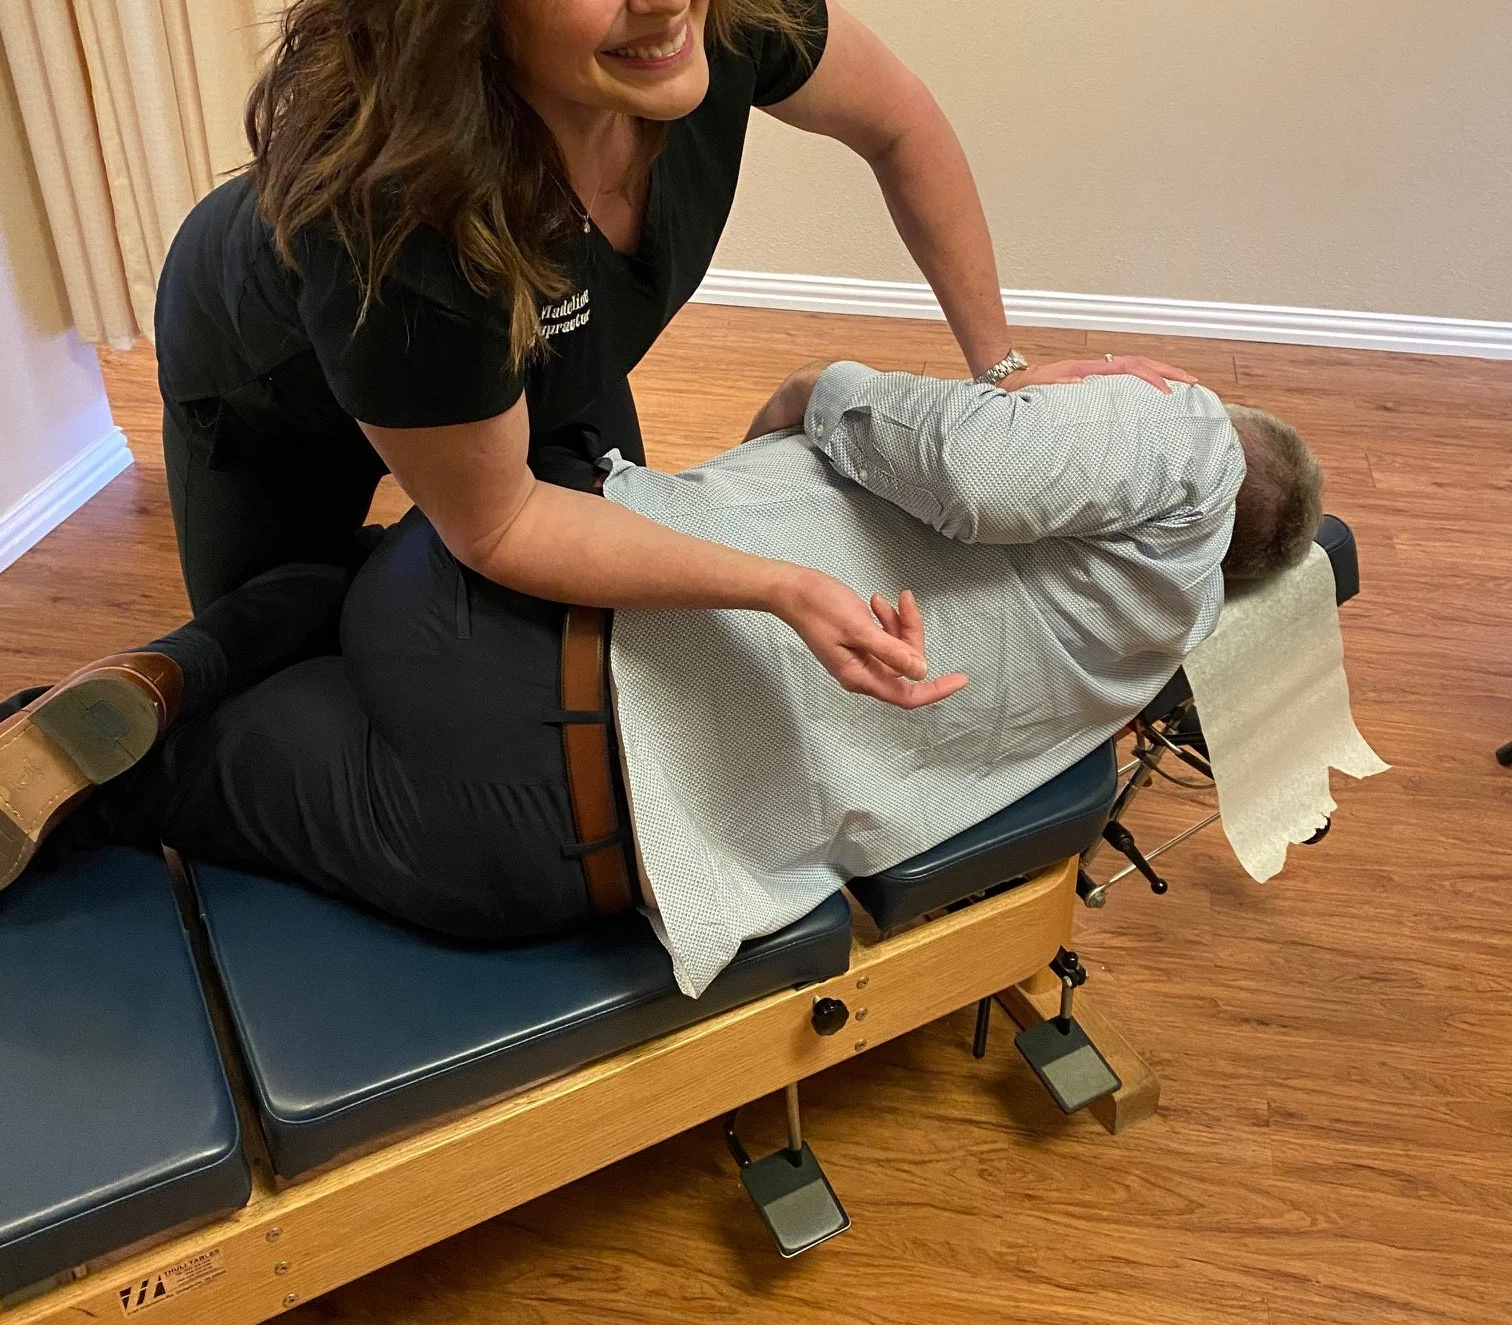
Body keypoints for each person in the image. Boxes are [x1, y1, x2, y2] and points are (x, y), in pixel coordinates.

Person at [156, 0, 1190, 714]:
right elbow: (501, 522)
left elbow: (899, 121)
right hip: (275, 380)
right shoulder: (396, 212)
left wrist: (999, 372)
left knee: (613, 617)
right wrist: (775, 586)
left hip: (536, 346)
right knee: (274, 676)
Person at [0, 364, 1322, 995]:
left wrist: (828, 387)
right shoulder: (1143, 661)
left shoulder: (1191, 442)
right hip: (519, 867)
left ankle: (171, 665)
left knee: (347, 579)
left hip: (526, 634)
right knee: (143, 791)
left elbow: (974, 461)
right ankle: (159, 708)